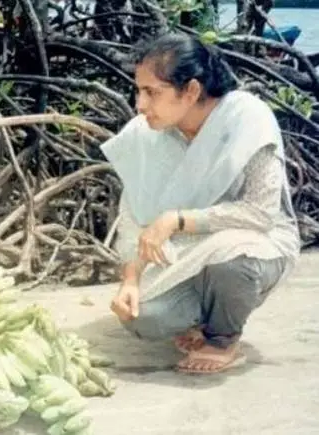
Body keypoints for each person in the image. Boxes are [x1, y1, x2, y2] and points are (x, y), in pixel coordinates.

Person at [100, 33, 301, 374]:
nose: (140, 105)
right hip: (186, 252)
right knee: (143, 320)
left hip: (256, 243)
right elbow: (132, 216)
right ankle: (205, 317)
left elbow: (260, 213)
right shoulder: (145, 133)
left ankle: (223, 338)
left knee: (231, 260)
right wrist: (131, 278)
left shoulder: (246, 120)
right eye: (139, 90)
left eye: (152, 93)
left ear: (191, 90)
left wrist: (177, 220)